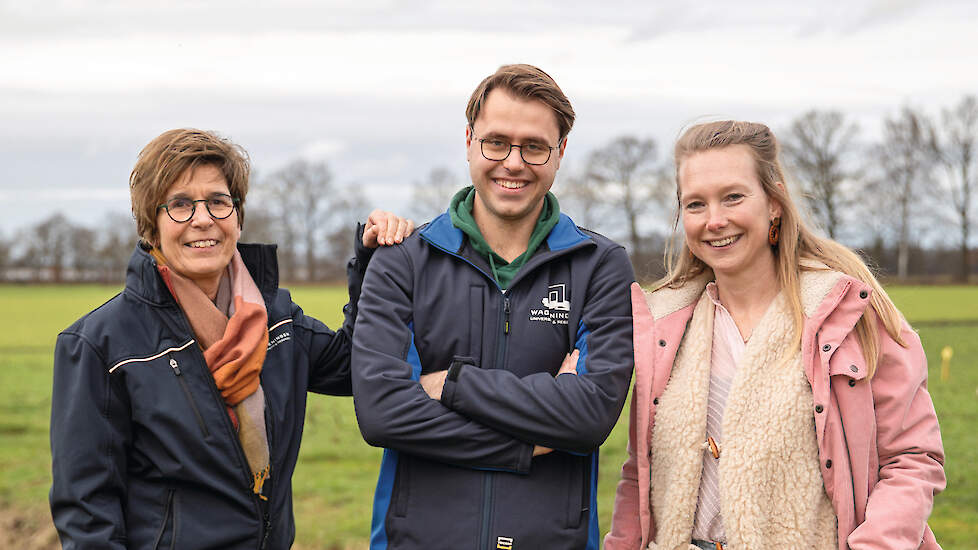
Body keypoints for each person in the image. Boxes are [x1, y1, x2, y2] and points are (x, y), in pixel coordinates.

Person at [49, 128, 413, 550]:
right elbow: (88, 514)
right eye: (180, 204)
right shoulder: (99, 345)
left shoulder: (278, 319)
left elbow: (354, 367)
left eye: (219, 202)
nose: (202, 219)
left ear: (237, 217)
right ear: (152, 224)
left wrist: (372, 264)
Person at [604, 120, 946, 550]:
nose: (715, 220)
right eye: (695, 204)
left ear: (774, 203)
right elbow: (640, 473)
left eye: (733, 197)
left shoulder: (850, 315)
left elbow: (912, 459)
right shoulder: (665, 327)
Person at [351, 64, 635, 549]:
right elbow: (383, 414)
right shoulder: (401, 261)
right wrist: (532, 441)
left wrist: (452, 385)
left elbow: (588, 419)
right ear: (468, 141)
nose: (514, 162)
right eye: (496, 142)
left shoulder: (601, 266)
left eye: (535, 146)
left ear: (560, 152)